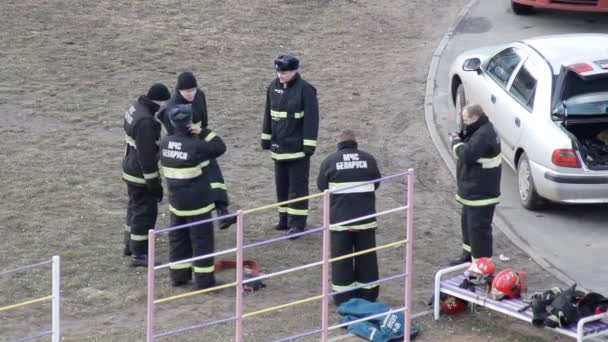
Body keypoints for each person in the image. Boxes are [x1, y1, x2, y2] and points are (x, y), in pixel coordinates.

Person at [159, 104, 227, 289]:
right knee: (202, 241)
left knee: (178, 239)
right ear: (189, 122)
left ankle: (178, 276)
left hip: (176, 203)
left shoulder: (165, 143)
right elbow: (220, 147)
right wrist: (204, 131)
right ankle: (204, 281)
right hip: (199, 204)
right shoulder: (196, 146)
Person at [159, 71, 236, 230]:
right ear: (179, 91)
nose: (191, 94)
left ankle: (223, 211)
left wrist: (202, 135)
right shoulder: (172, 107)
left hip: (199, 139)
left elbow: (204, 121)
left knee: (215, 174)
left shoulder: (200, 96)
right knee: (201, 179)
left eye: (193, 90)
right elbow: (175, 134)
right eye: (187, 91)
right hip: (187, 147)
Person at [317, 130, 381, 305]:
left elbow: (322, 187)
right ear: (355, 143)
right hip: (366, 219)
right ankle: (368, 294)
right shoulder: (368, 159)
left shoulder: (329, 161)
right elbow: (376, 183)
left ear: (338, 144)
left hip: (340, 221)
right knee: (367, 258)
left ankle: (343, 297)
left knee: (341, 260)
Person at [261, 54, 319, 237]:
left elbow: (311, 120)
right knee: (282, 185)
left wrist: (309, 145)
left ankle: (298, 224)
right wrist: (266, 137)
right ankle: (284, 219)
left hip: (297, 151)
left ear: (295, 71)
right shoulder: (272, 87)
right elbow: (268, 114)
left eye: (284, 72)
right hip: (279, 149)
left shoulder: (306, 90)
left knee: (297, 188)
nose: (280, 76)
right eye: (278, 72)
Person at [122, 83, 170, 267]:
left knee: (134, 207)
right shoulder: (146, 123)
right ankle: (139, 253)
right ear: (158, 102)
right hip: (139, 174)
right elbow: (148, 159)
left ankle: (129, 244)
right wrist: (154, 185)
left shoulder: (135, 108)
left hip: (129, 165)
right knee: (145, 212)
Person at [448, 104, 501, 266]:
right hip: (474, 192)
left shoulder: (484, 135)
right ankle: (468, 256)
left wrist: (455, 142)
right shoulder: (481, 129)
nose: (464, 123)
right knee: (468, 226)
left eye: (466, 120)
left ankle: (481, 267)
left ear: (474, 118)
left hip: (481, 193)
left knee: (479, 231)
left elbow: (467, 155)